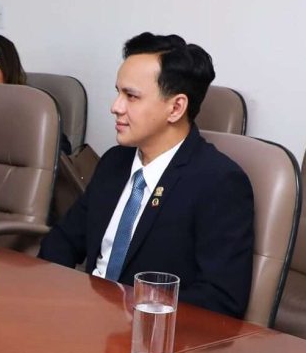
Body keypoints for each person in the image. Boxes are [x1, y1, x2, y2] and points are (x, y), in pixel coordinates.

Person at [38, 32, 254, 318]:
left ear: (176, 107)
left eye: (131, 96)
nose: (115, 107)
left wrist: (131, 312)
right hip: (84, 320)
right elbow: (63, 241)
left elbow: (220, 299)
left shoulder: (219, 182)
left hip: (149, 339)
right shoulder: (114, 162)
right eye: (118, 92)